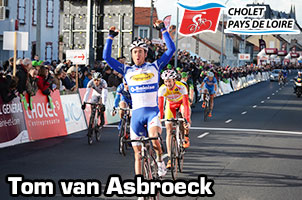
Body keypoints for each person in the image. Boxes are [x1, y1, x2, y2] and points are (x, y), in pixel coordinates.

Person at [103, 19, 175, 177]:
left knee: (155, 139)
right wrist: (110, 37)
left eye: (140, 51)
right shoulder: (126, 70)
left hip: (152, 113)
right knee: (137, 155)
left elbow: (171, 49)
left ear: (145, 53)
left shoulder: (155, 66)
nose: (137, 54)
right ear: (132, 54)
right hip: (136, 114)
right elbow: (106, 57)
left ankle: (160, 161)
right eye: (134, 52)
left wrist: (163, 30)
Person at [158, 70, 191, 169]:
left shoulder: (182, 87)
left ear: (174, 80)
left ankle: (185, 136)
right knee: (168, 130)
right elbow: (160, 107)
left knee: (184, 114)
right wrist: (159, 119)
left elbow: (185, 104)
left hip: (181, 103)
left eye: (169, 81)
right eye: (165, 81)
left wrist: (187, 120)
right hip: (171, 105)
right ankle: (169, 158)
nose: (168, 84)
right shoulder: (162, 89)